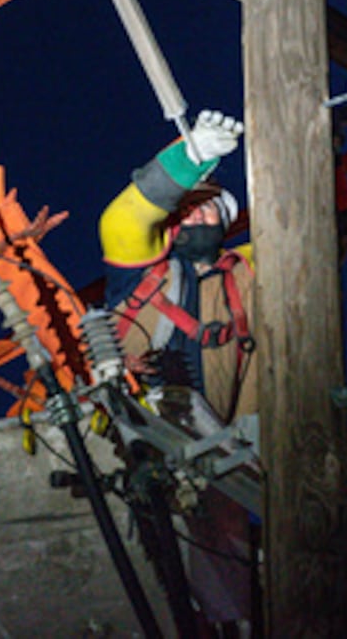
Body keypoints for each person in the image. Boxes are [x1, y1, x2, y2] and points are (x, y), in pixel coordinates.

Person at [99, 109, 255, 633]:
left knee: (224, 570)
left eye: (207, 208)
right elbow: (121, 221)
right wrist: (190, 159)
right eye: (186, 207)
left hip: (224, 453)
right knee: (143, 565)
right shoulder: (144, 265)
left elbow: (320, 238)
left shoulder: (248, 272)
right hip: (132, 438)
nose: (195, 214)